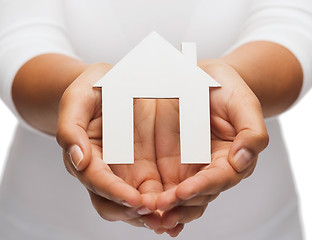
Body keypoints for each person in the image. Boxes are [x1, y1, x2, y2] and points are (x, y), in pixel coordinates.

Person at [0, 0, 311, 239]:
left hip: (251, 223)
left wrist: (231, 84)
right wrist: (79, 91)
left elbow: (292, 22)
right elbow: (17, 36)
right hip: (48, 222)